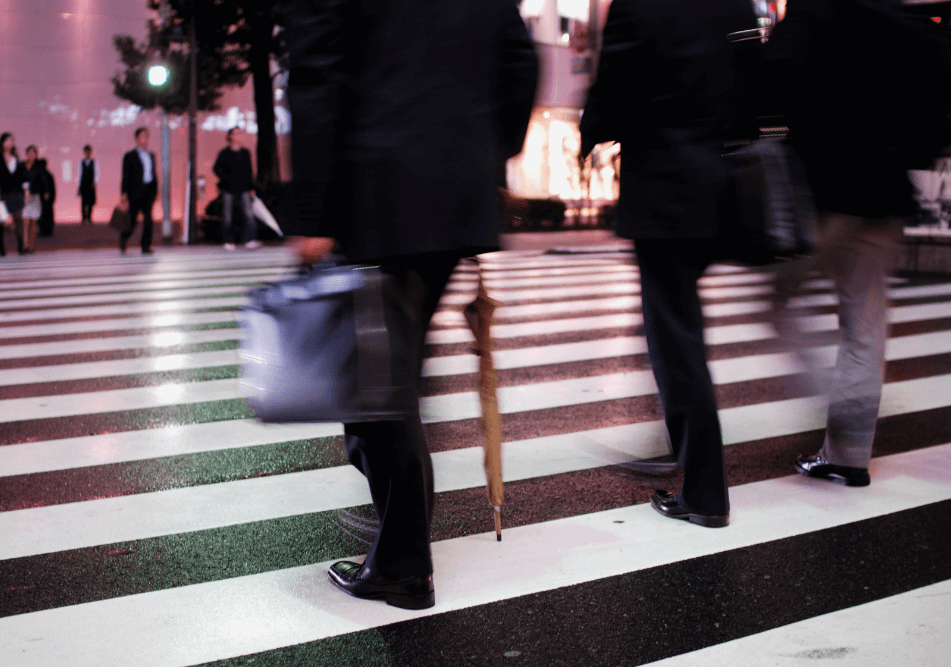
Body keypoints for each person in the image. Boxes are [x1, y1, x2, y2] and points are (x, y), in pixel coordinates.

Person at [285, 0, 537, 609]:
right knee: (391, 374)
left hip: (381, 193)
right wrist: (483, 153)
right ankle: (403, 535)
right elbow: (520, 63)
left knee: (374, 389)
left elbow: (318, 73)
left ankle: (403, 561)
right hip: (455, 194)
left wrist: (313, 212)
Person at [580, 0, 759, 528]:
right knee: (681, 334)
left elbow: (616, 81)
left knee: (675, 341)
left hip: (664, 191)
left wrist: (592, 130)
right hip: (717, 186)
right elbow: (751, 79)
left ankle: (705, 491)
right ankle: (682, 454)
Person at [765, 0, 951, 487]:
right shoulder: (907, 22)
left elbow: (775, 76)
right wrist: (908, 152)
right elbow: (939, 97)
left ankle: (827, 390)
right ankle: (847, 454)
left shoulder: (817, 11)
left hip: (819, 191)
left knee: (780, 303)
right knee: (864, 321)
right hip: (884, 193)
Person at [213, 127, 259, 251]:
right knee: (227, 216)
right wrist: (226, 179)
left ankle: (249, 239)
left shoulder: (245, 152)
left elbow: (249, 171)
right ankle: (229, 241)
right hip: (228, 188)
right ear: (230, 136)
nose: (239, 135)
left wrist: (251, 187)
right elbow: (217, 168)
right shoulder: (224, 153)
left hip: (244, 188)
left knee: (248, 214)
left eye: (240, 133)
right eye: (236, 133)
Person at [119, 127, 157, 255]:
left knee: (148, 220)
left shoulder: (151, 155)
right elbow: (125, 176)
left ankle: (145, 245)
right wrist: (124, 195)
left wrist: (155, 191)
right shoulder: (129, 156)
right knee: (132, 220)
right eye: (142, 136)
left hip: (148, 192)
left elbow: (152, 174)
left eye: (147, 136)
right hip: (134, 193)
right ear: (136, 139)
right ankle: (124, 238)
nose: (145, 139)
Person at [0, 132, 28, 257]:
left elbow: (21, 176)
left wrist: (26, 191)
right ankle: (1, 247)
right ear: (2, 142)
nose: (11, 142)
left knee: (18, 219)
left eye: (12, 140)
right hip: (4, 194)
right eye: (8, 140)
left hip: (16, 193)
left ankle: (20, 247)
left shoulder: (16, 158)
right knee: (2, 220)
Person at [20, 146, 46, 253]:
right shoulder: (22, 165)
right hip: (23, 196)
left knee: (33, 221)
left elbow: (43, 179)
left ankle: (30, 245)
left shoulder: (38, 166)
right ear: (26, 154)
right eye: (29, 152)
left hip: (35, 196)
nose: (31, 155)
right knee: (25, 221)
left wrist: (45, 191)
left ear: (36, 155)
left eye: (33, 153)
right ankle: (24, 245)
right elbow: (19, 178)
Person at [78, 145, 98, 224]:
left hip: (91, 184)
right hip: (83, 184)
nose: (87, 153)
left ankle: (89, 217)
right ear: (84, 152)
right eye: (86, 151)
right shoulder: (81, 162)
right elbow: (79, 174)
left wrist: (94, 182)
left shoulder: (94, 162)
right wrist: (79, 185)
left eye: (89, 151)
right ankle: (83, 217)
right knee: (83, 201)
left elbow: (96, 173)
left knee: (90, 201)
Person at [38, 157, 56, 237]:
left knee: (42, 216)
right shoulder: (49, 175)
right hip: (48, 201)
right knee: (48, 215)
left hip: (41, 201)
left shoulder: (40, 175)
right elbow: (53, 189)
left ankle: (43, 231)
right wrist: (52, 199)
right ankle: (49, 231)